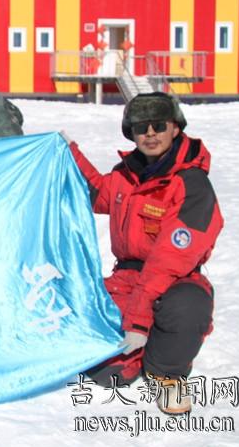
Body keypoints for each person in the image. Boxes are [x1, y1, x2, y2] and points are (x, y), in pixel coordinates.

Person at [66, 92, 223, 414]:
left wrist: (137, 321)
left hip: (176, 279)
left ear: (175, 128)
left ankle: (167, 374)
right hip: (126, 280)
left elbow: (169, 261)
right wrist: (67, 154)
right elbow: (96, 193)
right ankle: (141, 350)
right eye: (141, 127)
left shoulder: (192, 184)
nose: (150, 133)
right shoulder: (125, 175)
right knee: (107, 373)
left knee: (187, 307)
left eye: (158, 125)